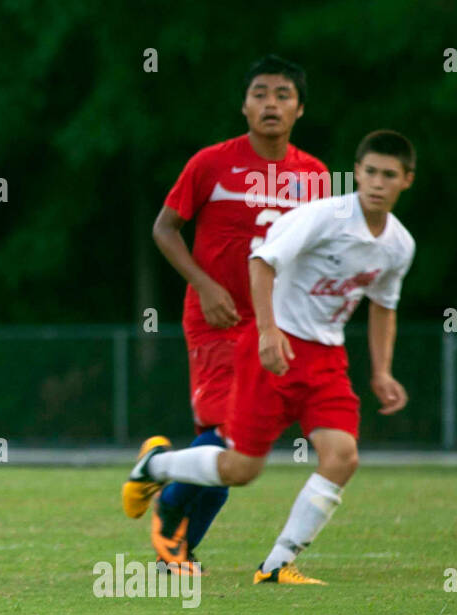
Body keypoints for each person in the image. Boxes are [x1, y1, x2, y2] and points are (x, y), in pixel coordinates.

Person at [123, 130, 416, 584]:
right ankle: (153, 467)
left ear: (407, 180)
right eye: (370, 172)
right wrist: (266, 330)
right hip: (276, 346)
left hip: (327, 359)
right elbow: (262, 260)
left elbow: (384, 306)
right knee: (241, 469)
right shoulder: (323, 217)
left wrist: (381, 371)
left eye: (389, 175)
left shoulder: (399, 244)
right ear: (356, 173)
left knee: (342, 456)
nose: (378, 182)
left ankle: (278, 564)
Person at [141, 55, 329, 570]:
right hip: (217, 319)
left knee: (240, 452)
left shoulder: (314, 176)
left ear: (300, 109)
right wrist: (203, 286)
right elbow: (164, 228)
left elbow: (314, 255)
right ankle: (164, 498)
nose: (271, 103)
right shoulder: (210, 163)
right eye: (261, 93)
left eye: (283, 95)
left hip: (274, 326)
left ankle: (175, 550)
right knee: (228, 435)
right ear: (244, 105)